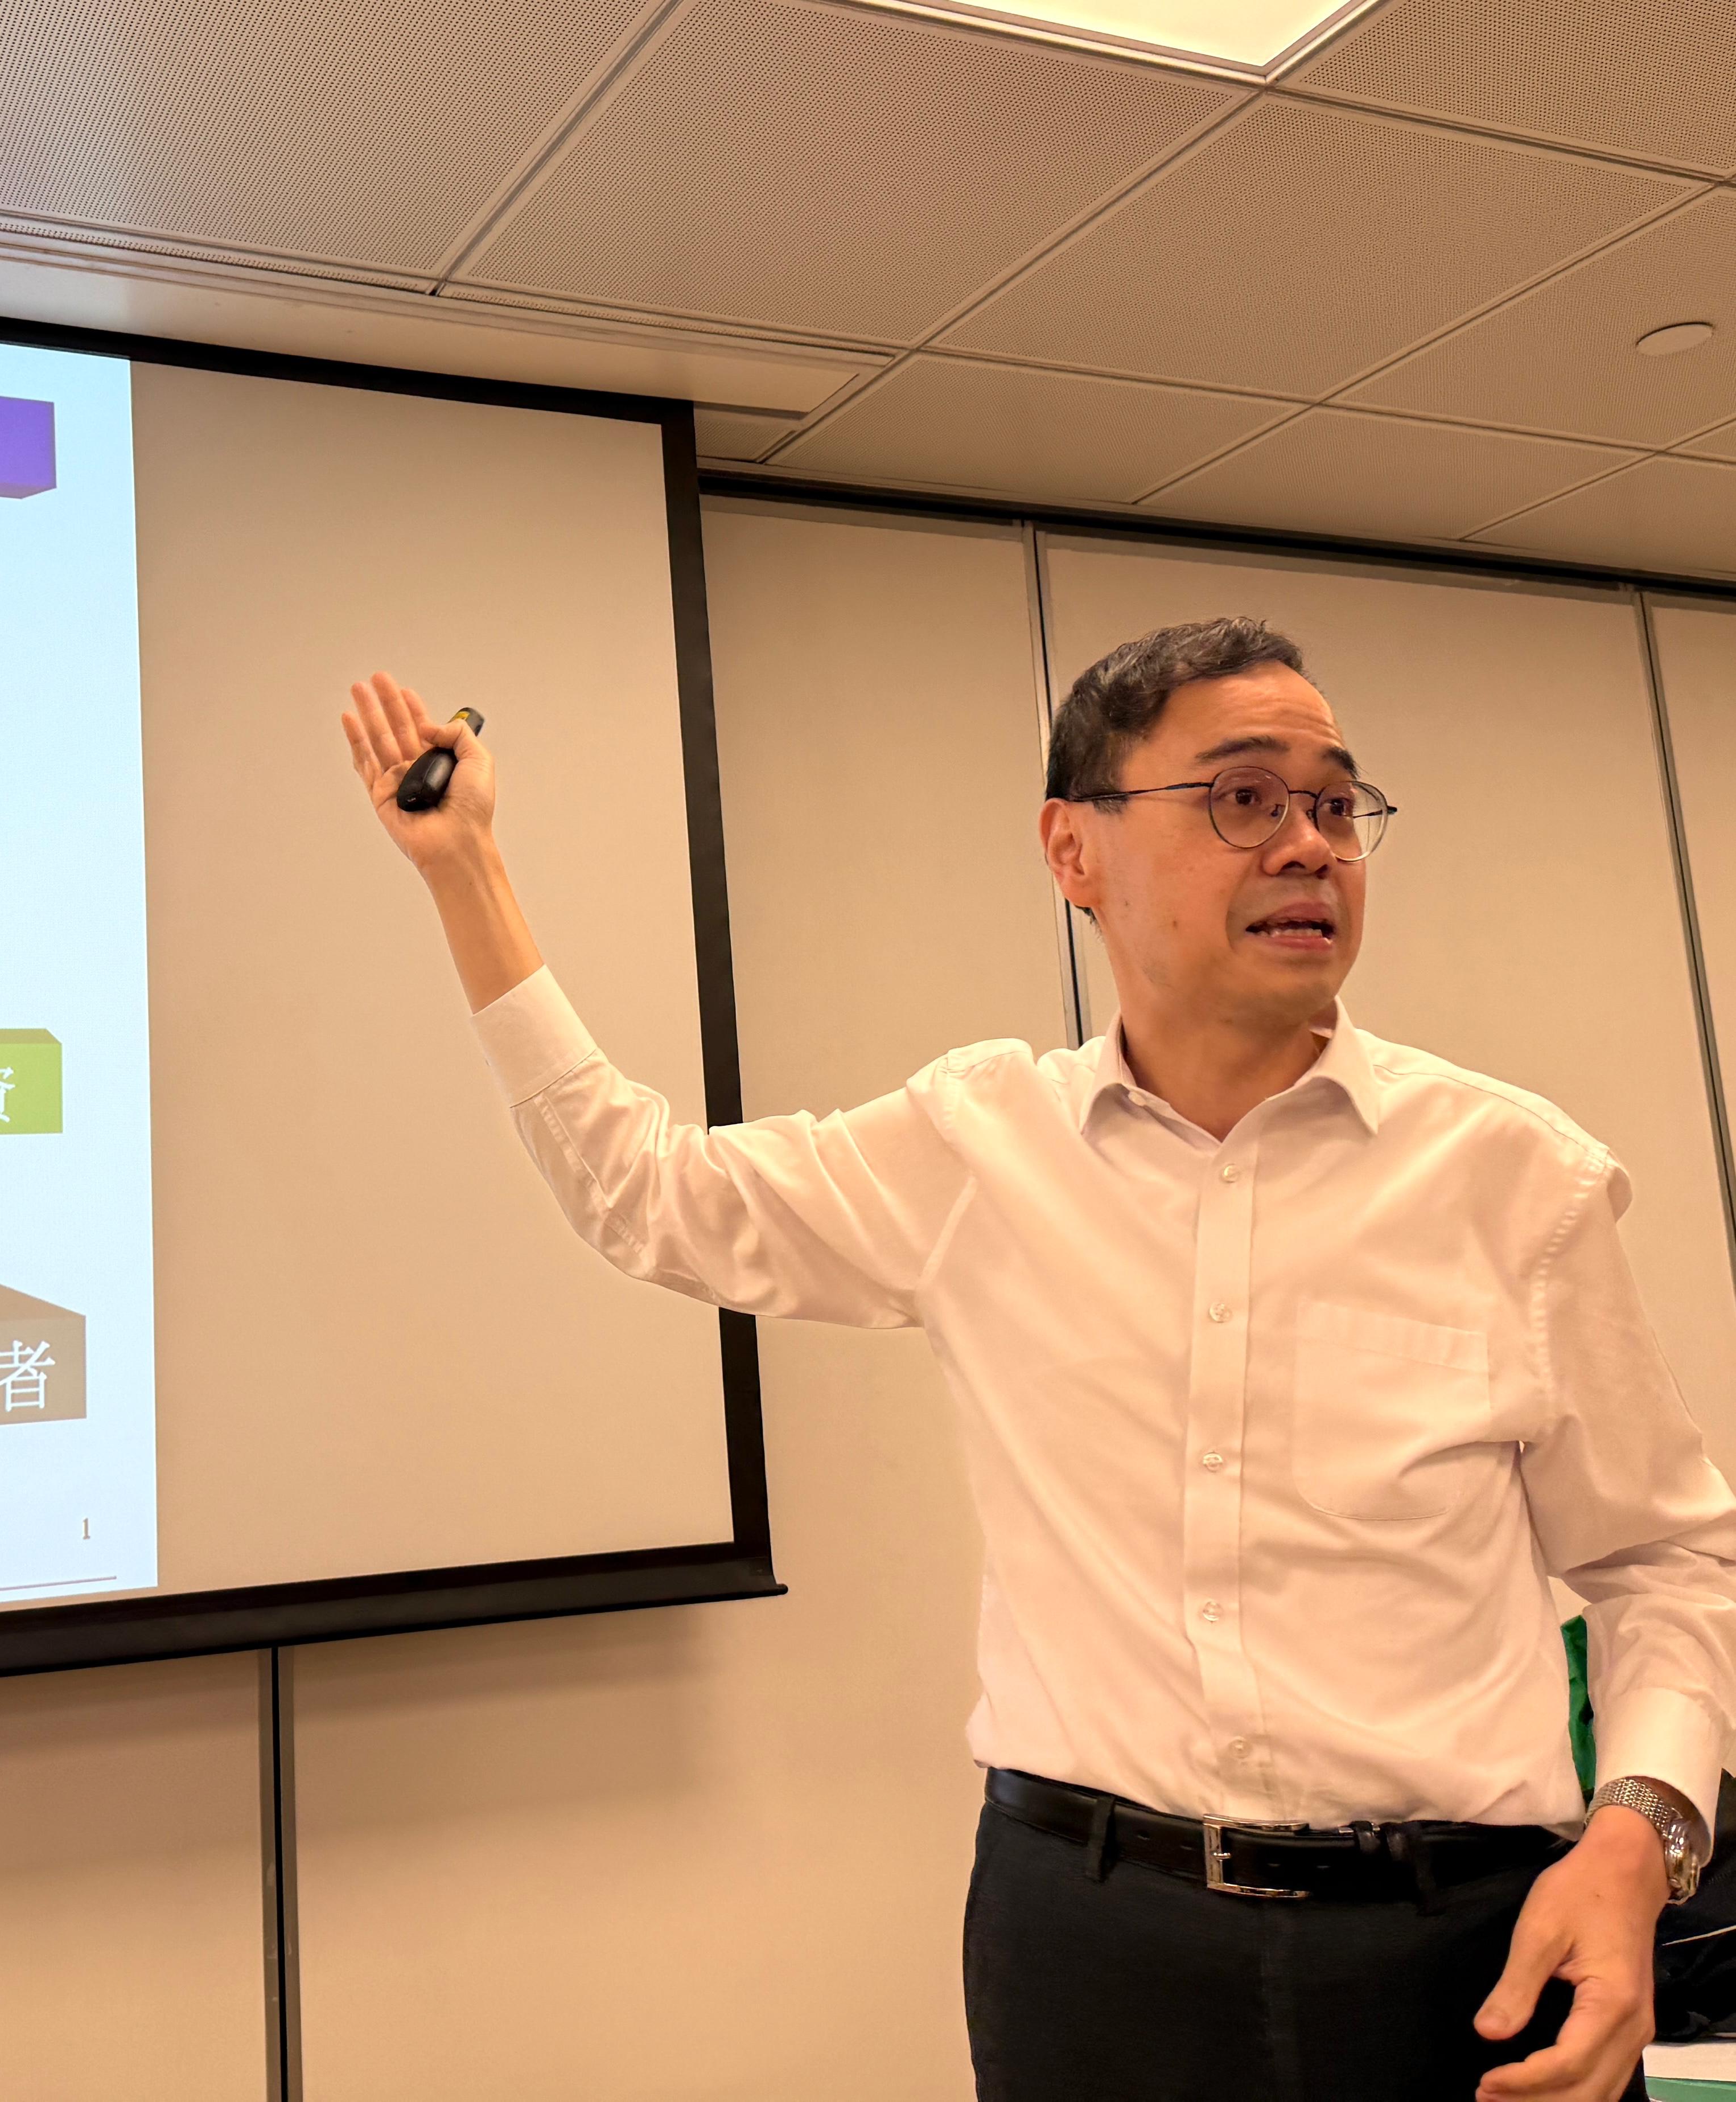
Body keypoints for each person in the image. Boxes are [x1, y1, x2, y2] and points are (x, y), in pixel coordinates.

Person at [340, 624, 1736, 2102]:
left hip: (1458, 1948)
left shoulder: (1512, 1177)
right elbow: (647, 1193)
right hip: (1087, 1944)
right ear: (1074, 849)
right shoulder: (978, 1147)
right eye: (1242, 798)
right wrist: (465, 871)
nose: (1307, 845)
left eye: (1334, 803)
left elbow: (1662, 1561)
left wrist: (1637, 1840)